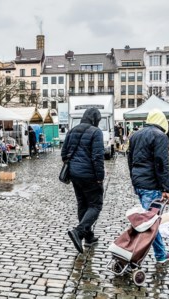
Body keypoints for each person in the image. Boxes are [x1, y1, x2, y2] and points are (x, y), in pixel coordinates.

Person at [127, 108, 169, 264]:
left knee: (149, 221)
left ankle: (160, 253)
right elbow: (161, 164)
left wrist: (134, 180)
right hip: (151, 184)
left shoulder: (135, 135)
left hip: (139, 182)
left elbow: (130, 159)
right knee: (151, 223)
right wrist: (166, 189)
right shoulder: (160, 136)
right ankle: (158, 254)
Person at [62, 108, 105, 254]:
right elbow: (97, 156)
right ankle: (79, 232)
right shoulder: (96, 132)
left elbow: (64, 153)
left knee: (82, 204)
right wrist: (100, 177)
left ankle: (89, 237)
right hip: (90, 175)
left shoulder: (72, 130)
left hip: (74, 175)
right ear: (96, 119)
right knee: (95, 205)